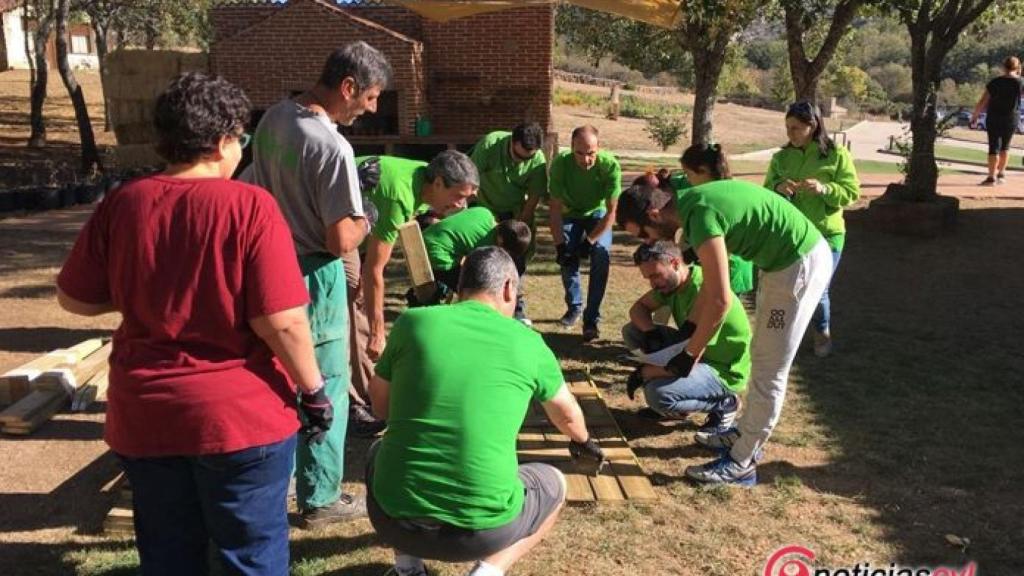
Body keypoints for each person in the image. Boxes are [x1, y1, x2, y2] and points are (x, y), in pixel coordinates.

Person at [57, 72, 329, 574]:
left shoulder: (123, 202)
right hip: (239, 418)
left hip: (148, 416)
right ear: (224, 139)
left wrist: (139, 294)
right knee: (250, 557)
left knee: (168, 556)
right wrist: (314, 391)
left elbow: (74, 298)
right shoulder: (250, 206)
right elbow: (282, 320)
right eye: (241, 141)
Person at [365, 247, 606, 576]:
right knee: (555, 484)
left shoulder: (413, 323)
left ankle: (408, 569)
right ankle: (487, 572)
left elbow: (379, 405)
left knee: (378, 451)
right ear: (508, 287)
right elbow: (567, 415)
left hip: (392, 521)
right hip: (481, 533)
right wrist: (584, 442)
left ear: (463, 284)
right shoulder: (529, 342)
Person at [616, 143, 831, 486]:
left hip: (799, 265)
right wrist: (689, 329)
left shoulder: (699, 216)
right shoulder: (690, 205)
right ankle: (741, 433)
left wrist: (688, 355)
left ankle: (743, 460)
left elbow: (719, 300)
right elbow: (713, 290)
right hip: (781, 266)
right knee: (763, 354)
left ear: (654, 216)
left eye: (641, 233)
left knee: (769, 367)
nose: (644, 241)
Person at [246, 41, 390, 526]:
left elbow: (251, 182)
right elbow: (338, 239)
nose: (371, 109)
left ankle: (268, 491)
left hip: (266, 267)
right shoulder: (333, 146)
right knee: (323, 385)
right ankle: (320, 499)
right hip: (314, 277)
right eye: (369, 98)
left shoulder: (273, 119)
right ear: (348, 87)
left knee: (277, 379)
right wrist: (367, 214)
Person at [356, 152, 480, 355]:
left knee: (356, 291)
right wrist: (378, 332)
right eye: (459, 196)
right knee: (354, 294)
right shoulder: (398, 196)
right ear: (439, 183)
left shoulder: (424, 178)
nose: (461, 205)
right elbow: (373, 270)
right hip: (313, 221)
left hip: (356, 219)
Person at [764, 101, 860, 357]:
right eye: (787, 128)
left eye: (796, 128)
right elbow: (766, 193)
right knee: (785, 287)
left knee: (818, 290)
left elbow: (851, 194)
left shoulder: (837, 155)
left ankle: (822, 331)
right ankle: (784, 334)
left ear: (813, 125)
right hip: (791, 236)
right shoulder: (780, 158)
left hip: (827, 236)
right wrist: (777, 189)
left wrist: (825, 189)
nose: (790, 134)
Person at [623, 242, 751, 435]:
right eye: (648, 278)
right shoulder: (674, 285)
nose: (653, 283)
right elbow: (638, 309)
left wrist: (645, 372)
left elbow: (692, 357)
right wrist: (650, 332)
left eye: (655, 275)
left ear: (675, 263)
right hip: (694, 350)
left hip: (722, 369)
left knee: (657, 394)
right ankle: (678, 406)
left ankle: (725, 403)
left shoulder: (704, 289)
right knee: (634, 331)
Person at [548, 125, 622, 341]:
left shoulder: (610, 166)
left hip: (597, 214)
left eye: (591, 153)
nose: (585, 159)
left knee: (601, 253)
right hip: (569, 212)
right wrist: (560, 246)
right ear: (571, 148)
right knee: (567, 254)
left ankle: (591, 319)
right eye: (579, 153)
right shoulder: (561, 164)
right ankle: (574, 307)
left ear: (599, 148)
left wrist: (589, 242)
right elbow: (554, 210)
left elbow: (611, 212)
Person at [469, 123, 548, 324]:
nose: (524, 161)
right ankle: (478, 305)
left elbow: (533, 197)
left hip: (514, 212)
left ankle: (517, 308)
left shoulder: (537, 158)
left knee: (516, 261)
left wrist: (519, 225)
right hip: (484, 209)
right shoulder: (490, 144)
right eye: (520, 156)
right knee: (482, 258)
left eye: (528, 158)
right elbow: (471, 181)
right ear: (512, 142)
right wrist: (480, 216)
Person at [419, 206, 532, 300]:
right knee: (472, 291)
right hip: (436, 254)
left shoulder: (484, 212)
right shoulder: (487, 244)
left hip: (427, 237)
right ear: (501, 240)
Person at [971, 56, 1023, 185]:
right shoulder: (1020, 82)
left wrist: (975, 116)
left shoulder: (995, 82)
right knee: (1005, 147)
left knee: (993, 146)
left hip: (994, 117)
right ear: (1017, 68)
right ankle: (1001, 174)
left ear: (1003, 67)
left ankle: (991, 177)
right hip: (1011, 117)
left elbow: (983, 101)